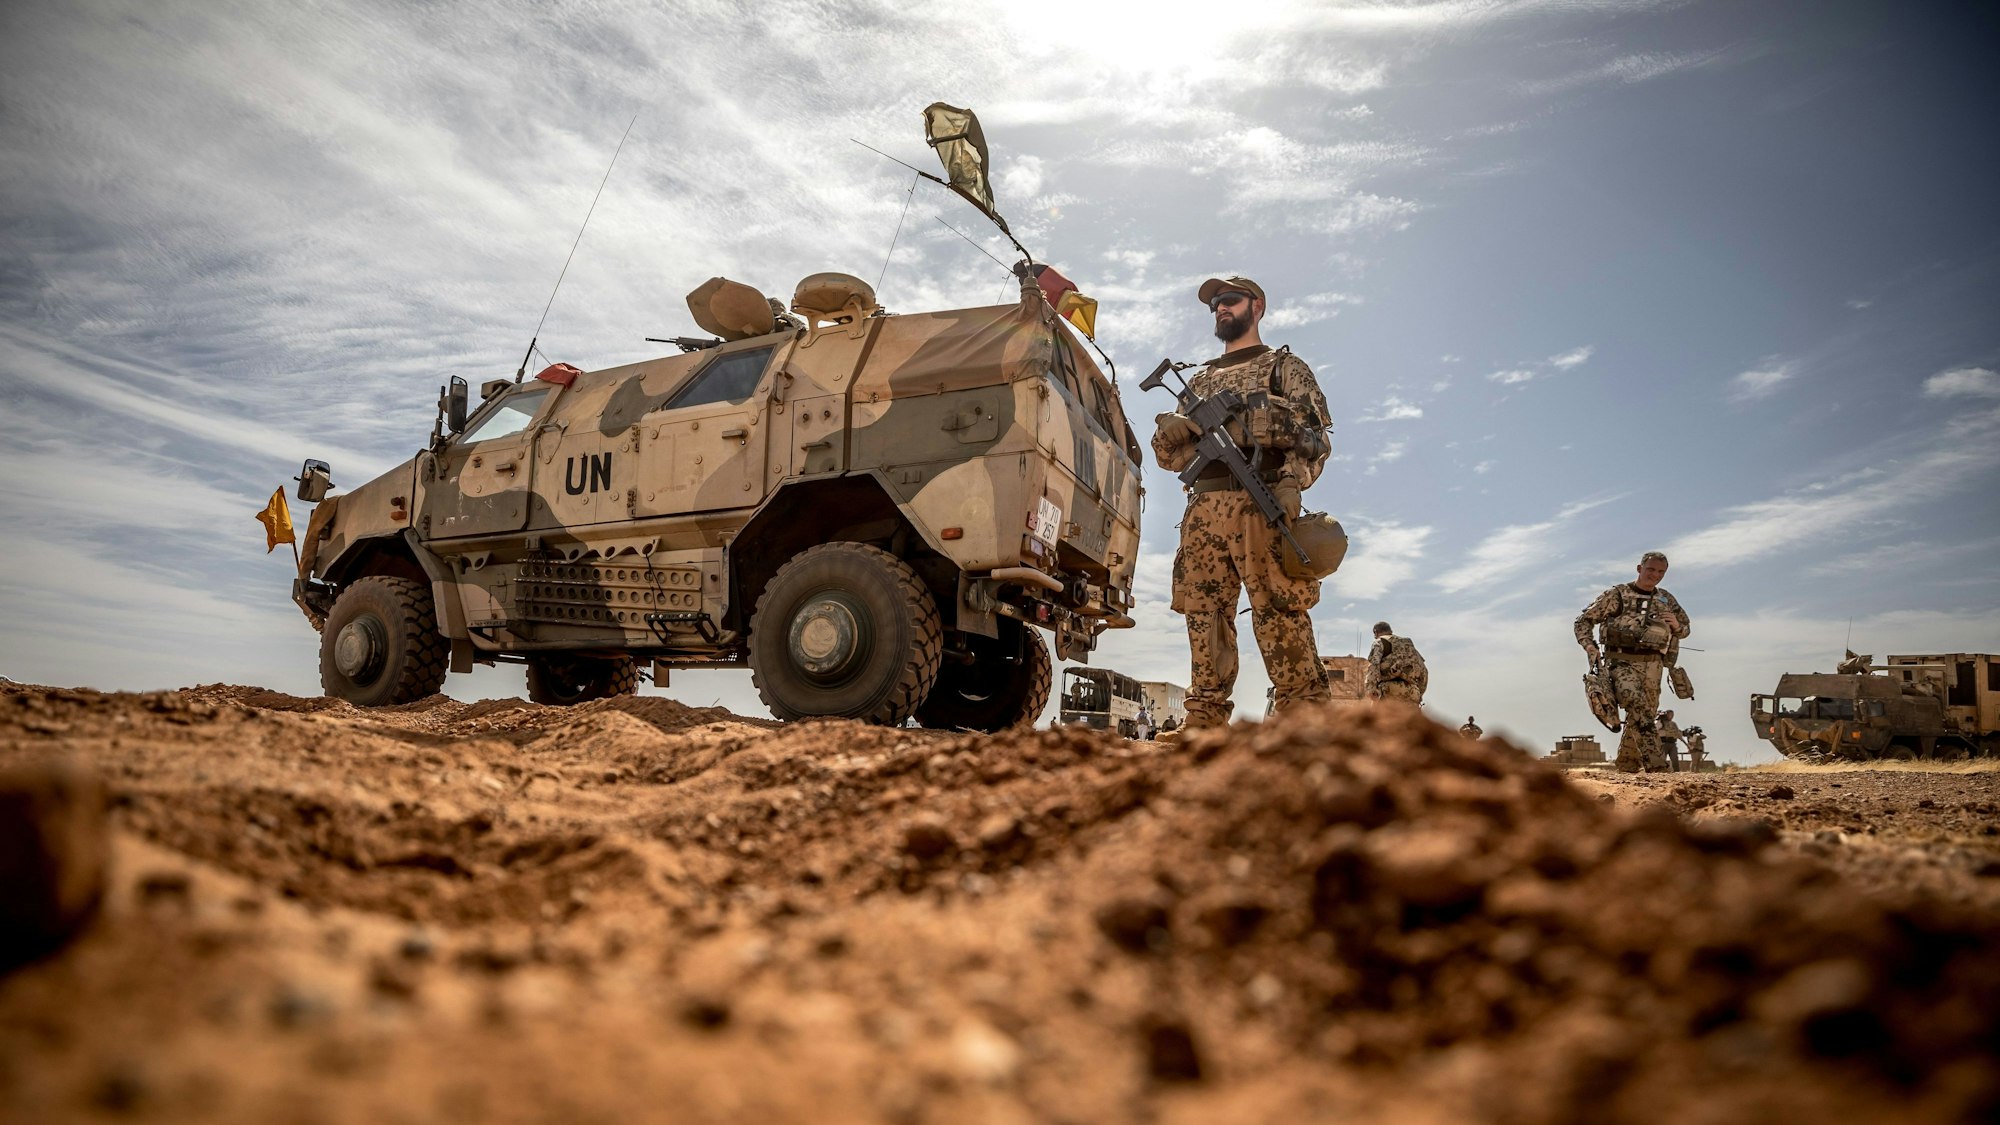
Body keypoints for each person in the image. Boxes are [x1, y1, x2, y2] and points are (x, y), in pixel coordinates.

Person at [1152, 275, 1334, 731]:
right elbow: (1168, 458)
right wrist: (1170, 431)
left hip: (1262, 498)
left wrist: (1292, 483)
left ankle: (1303, 721)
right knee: (1204, 616)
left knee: (1279, 609)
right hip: (1204, 509)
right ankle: (1205, 720)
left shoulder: (1284, 368)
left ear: (1258, 306)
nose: (1220, 308)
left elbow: (1315, 439)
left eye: (1230, 300)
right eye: (1215, 304)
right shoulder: (1199, 379)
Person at [1575, 551, 1691, 772]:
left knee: (1644, 712)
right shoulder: (1617, 595)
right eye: (1650, 570)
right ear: (1639, 569)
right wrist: (1589, 646)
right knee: (1638, 707)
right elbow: (1583, 621)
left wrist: (1677, 625)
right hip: (1620, 661)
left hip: (1654, 665)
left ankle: (1627, 765)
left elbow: (1685, 630)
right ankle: (1657, 766)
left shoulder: (1666, 599)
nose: (1655, 575)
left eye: (1660, 572)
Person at [1365, 622, 1428, 704]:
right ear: (1391, 631)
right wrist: (1419, 693)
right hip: (1411, 692)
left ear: (1375, 632)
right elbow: (1424, 672)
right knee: (1411, 717)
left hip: (1388, 692)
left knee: (1381, 716)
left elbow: (1373, 666)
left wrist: (1371, 689)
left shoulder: (1380, 642)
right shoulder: (1408, 644)